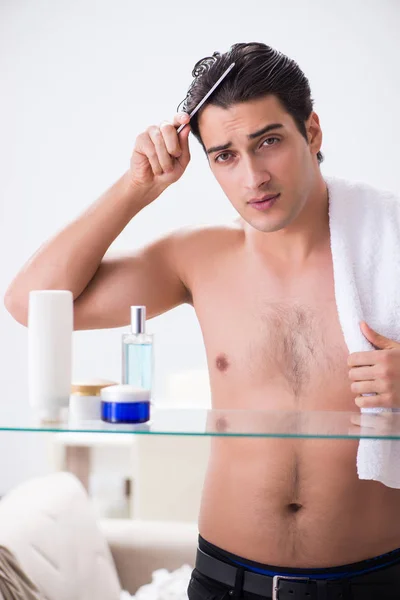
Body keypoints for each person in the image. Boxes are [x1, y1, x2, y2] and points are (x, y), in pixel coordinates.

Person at [5, 42, 400, 598]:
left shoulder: (388, 250)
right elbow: (31, 302)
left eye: (269, 142)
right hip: (225, 581)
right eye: (225, 155)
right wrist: (136, 188)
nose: (253, 176)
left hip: (374, 581)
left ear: (311, 132)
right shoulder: (197, 260)